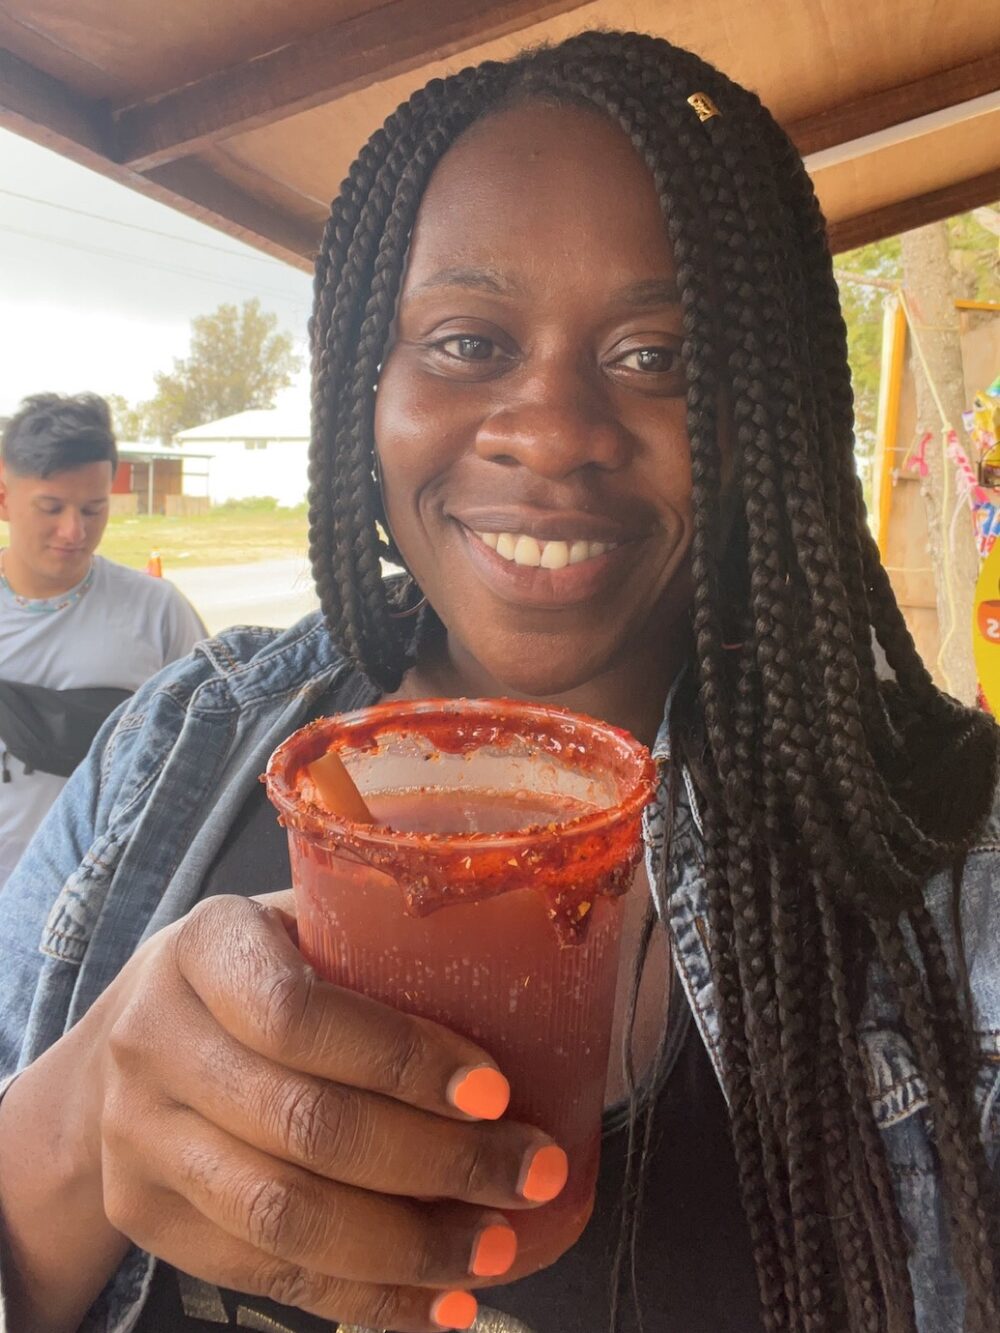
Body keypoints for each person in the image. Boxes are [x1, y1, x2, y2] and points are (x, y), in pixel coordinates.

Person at [0, 29, 997, 1333]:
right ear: (368, 378)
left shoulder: (950, 855)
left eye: (660, 357)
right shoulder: (176, 746)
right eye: (468, 340)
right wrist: (73, 1135)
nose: (553, 428)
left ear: (765, 411)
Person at [0, 392, 207, 888]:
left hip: (102, 901)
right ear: (4, 498)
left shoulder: (156, 611)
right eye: (51, 507)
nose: (74, 531)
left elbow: (213, 744)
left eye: (93, 509)